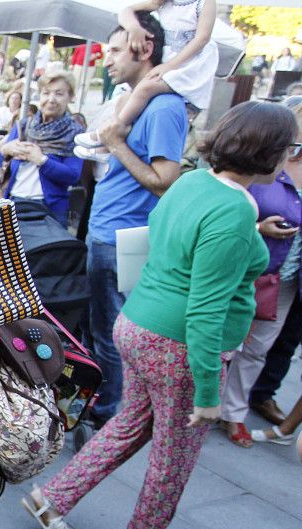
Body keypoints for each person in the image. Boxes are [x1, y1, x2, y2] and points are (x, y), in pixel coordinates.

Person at [25, 101, 294, 529]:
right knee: (177, 452)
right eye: (289, 147)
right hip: (179, 344)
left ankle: (52, 498)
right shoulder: (232, 209)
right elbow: (207, 310)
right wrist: (210, 393)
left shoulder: (194, 181)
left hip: (141, 324)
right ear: (268, 152)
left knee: (131, 424)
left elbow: (189, 240)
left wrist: (249, 229)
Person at [82, 12, 187, 426]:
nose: (106, 60)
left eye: (114, 50)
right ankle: (106, 406)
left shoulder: (164, 108)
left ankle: (110, 418)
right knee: (101, 329)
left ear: (142, 48)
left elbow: (165, 181)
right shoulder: (135, 101)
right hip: (106, 233)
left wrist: (114, 144)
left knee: (112, 334)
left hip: (122, 240)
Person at [223, 103, 302, 445]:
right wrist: (258, 227)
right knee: (226, 339)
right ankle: (201, 399)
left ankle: (233, 412)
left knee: (259, 346)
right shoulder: (262, 165)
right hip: (244, 267)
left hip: (286, 274)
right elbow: (225, 215)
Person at [75, 0, 217, 161]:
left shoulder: (203, 3)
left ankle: (109, 133)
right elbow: (126, 10)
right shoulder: (163, 3)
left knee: (144, 89)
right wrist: (133, 27)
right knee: (128, 96)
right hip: (171, 59)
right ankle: (105, 146)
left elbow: (202, 39)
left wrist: (170, 66)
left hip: (189, 65)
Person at [0, 70, 85, 227]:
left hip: (51, 210)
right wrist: (5, 150)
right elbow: (0, 163)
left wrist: (42, 161)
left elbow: (73, 176)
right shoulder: (24, 126)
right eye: (46, 93)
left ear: (70, 97)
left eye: (59, 94)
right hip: (14, 203)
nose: (51, 99)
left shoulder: (75, 132)